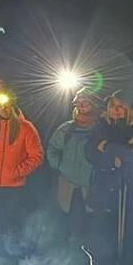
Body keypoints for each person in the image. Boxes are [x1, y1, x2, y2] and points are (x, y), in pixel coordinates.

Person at [84, 93, 133, 265]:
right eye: (113, 106)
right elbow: (90, 152)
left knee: (130, 233)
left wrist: (108, 147)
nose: (116, 111)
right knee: (102, 233)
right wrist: (111, 158)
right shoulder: (99, 126)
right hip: (104, 188)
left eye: (121, 107)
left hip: (131, 187)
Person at [0, 91, 44, 258]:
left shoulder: (26, 128)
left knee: (15, 222)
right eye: (0, 106)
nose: (3, 109)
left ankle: (19, 257)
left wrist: (19, 171)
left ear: (13, 105)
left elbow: (36, 155)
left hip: (15, 187)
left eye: (7, 105)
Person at [46, 90, 100, 249]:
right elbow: (52, 149)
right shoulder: (66, 129)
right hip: (68, 187)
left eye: (86, 102)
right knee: (67, 227)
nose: (82, 106)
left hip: (92, 186)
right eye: (79, 103)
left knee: (90, 228)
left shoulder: (100, 129)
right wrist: (60, 166)